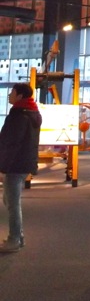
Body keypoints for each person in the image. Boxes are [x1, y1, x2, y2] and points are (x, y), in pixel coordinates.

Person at [0, 83, 42, 253]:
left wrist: (3, 167)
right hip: (24, 162)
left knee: (12, 203)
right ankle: (19, 236)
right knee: (9, 200)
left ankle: (14, 239)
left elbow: (12, 143)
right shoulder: (32, 113)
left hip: (15, 164)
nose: (9, 95)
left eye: (12, 92)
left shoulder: (18, 116)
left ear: (20, 96)